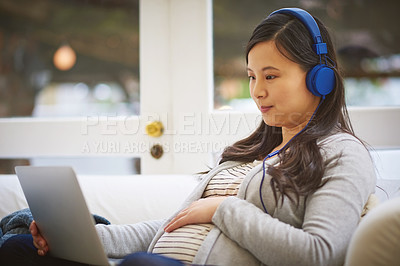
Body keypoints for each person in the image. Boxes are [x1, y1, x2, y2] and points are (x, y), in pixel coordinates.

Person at [0, 7, 376, 266]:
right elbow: (173, 222)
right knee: (19, 245)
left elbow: (320, 253)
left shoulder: (343, 154)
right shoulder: (248, 151)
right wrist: (84, 238)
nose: (257, 91)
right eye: (251, 76)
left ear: (319, 78)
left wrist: (222, 209)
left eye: (271, 75)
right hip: (149, 260)